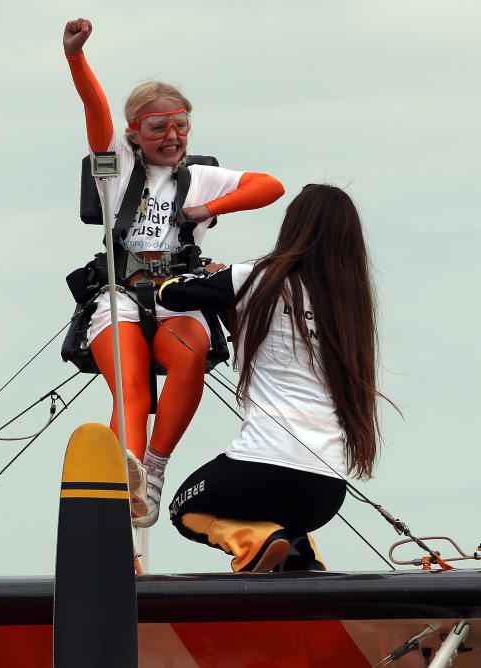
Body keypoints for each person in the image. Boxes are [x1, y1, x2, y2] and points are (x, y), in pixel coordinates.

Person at [63, 18, 285, 528]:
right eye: (158, 126)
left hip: (179, 294)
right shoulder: (115, 162)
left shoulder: (201, 177)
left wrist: (205, 210)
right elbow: (94, 110)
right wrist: (76, 58)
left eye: (180, 125)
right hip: (119, 293)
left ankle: (154, 468)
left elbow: (270, 186)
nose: (172, 136)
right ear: (134, 132)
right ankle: (127, 481)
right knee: (132, 386)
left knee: (190, 357)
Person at [156, 184, 386, 572]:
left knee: (184, 508)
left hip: (260, 470)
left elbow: (168, 295)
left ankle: (254, 541)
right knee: (281, 527)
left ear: (294, 229)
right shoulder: (350, 310)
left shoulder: (253, 278)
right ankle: (301, 556)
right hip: (326, 491)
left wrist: (214, 276)